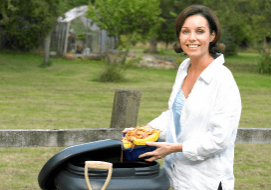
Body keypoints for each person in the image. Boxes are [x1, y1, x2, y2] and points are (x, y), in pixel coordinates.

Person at [123, 4, 241, 190]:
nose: (192, 38)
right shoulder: (185, 67)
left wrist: (174, 148)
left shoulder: (222, 79)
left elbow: (219, 141)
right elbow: (175, 113)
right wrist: (144, 131)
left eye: (200, 31)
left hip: (206, 181)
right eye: (185, 31)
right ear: (179, 36)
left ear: (212, 36)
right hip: (176, 175)